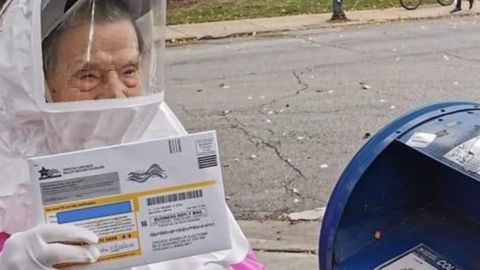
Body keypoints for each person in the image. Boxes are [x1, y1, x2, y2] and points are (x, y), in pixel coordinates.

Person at [0, 0, 267, 269]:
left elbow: (241, 259)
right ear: (35, 83)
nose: (116, 93)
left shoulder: (158, 134)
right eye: (88, 75)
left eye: (129, 71)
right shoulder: (8, 187)